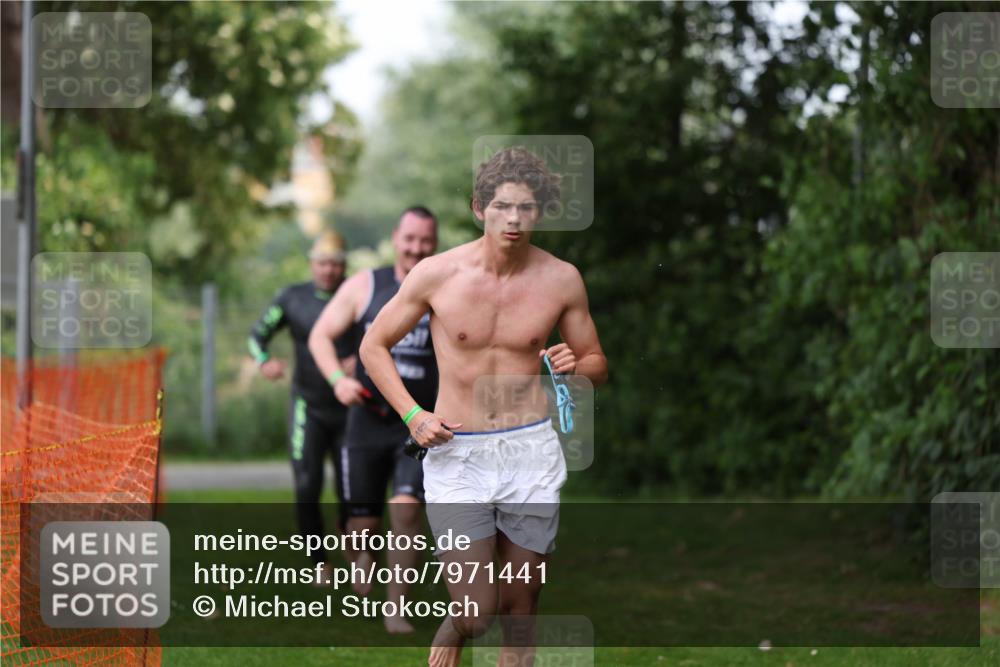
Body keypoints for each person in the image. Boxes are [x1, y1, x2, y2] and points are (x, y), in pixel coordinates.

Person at [359, 147, 608, 667]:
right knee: (478, 612)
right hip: (458, 454)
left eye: (526, 208)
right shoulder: (436, 274)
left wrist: (574, 366)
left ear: (539, 212)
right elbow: (372, 346)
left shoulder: (562, 279)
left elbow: (597, 365)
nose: (514, 219)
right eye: (502, 206)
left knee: (520, 608)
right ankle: (456, 627)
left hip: (530, 454)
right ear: (479, 208)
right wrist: (413, 414)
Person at [308, 206, 439, 634]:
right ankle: (360, 554)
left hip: (418, 424)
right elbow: (320, 335)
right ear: (395, 238)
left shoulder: (447, 285)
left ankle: (396, 609)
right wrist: (336, 380)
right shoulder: (366, 285)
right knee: (362, 526)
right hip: (366, 419)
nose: (417, 248)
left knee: (406, 510)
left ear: (434, 242)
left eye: (425, 240)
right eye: (410, 239)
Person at [248, 231, 354, 580]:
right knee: (307, 484)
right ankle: (319, 563)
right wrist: (264, 361)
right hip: (307, 407)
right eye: (322, 263)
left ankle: (352, 545)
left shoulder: (357, 296)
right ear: (312, 264)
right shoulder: (292, 299)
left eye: (335, 264)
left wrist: (361, 362)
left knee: (350, 488)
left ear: (344, 266)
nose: (328, 270)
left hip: (350, 409)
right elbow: (257, 334)